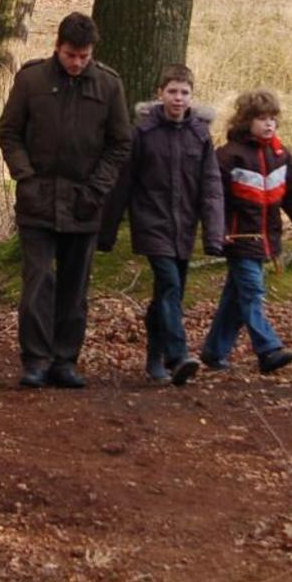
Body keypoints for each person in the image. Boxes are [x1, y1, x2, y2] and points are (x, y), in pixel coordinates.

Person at [0, 12, 132, 389]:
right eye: (71, 55)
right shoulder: (31, 80)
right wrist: (25, 176)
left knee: (75, 287)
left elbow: (120, 144)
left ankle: (65, 359)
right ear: (57, 47)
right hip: (37, 199)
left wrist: (97, 188)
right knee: (38, 281)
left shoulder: (109, 85)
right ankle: (35, 359)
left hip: (84, 202)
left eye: (83, 56)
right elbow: (9, 133)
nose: (76, 63)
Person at [98, 64, 223, 386]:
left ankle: (155, 360)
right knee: (168, 284)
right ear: (160, 93)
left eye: (184, 92)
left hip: (185, 226)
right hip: (151, 222)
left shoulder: (200, 135)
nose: (178, 98)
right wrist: (106, 232)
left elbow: (211, 186)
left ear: (191, 96)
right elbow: (123, 183)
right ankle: (177, 355)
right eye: (172, 91)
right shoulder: (143, 132)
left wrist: (213, 234)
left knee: (169, 295)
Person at [200, 89, 292, 376]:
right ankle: (268, 349)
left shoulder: (281, 155)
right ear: (246, 121)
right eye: (262, 119)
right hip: (238, 239)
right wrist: (219, 231)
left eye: (272, 118)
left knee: (236, 297)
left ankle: (214, 351)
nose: (269, 124)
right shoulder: (228, 156)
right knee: (252, 291)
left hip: (267, 239)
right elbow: (213, 199)